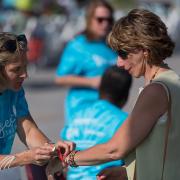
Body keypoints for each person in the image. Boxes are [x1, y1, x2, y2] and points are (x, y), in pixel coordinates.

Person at [62, 9, 180, 180]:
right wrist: (127, 171)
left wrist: (69, 159)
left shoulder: (156, 90)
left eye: (123, 53)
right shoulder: (173, 82)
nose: (118, 62)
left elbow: (114, 149)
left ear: (144, 49)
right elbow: (166, 151)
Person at [0, 32, 74, 178]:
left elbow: (28, 130)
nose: (25, 75)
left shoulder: (14, 91)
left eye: (25, 67)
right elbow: (26, 157)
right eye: (16, 69)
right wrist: (26, 157)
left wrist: (52, 151)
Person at [61, 65, 132, 179]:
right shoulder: (125, 121)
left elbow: (62, 154)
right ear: (126, 96)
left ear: (99, 88)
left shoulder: (76, 116)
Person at [55, 0, 116, 123]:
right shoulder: (78, 45)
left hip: (108, 109)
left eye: (109, 20)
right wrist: (92, 82)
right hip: (82, 108)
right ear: (89, 20)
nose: (105, 24)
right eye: (100, 19)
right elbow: (60, 78)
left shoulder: (112, 45)